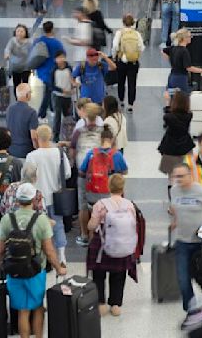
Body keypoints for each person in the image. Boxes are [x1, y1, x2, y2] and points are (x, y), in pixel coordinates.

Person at [0, 183, 66, 338]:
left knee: (22, 311)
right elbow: (49, 250)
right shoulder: (41, 220)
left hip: (14, 271)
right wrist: (58, 267)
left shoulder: (8, 219)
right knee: (38, 307)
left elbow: (0, 249)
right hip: (35, 271)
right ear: (34, 199)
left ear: (17, 199)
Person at [169, 163, 202, 311]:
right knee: (183, 279)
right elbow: (174, 207)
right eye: (176, 176)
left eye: (181, 176)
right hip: (182, 242)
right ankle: (192, 310)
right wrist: (175, 221)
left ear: (190, 175)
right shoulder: (174, 191)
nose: (178, 179)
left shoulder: (201, 191)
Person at [86, 174, 138, 317]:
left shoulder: (101, 204)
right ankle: (115, 305)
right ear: (123, 188)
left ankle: (101, 303)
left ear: (109, 187)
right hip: (122, 244)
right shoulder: (129, 205)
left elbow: (92, 225)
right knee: (119, 275)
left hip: (102, 246)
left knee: (98, 275)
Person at [26, 125, 72, 267]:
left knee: (37, 227)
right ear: (51, 136)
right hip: (56, 197)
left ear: (36, 138)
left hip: (38, 199)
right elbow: (67, 174)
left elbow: (27, 177)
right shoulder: (59, 153)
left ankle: (42, 257)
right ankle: (62, 257)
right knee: (58, 225)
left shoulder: (32, 156)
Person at [70, 103, 104, 246]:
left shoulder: (78, 130)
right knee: (101, 202)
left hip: (83, 172)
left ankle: (84, 235)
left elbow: (72, 149)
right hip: (101, 172)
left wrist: (73, 163)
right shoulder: (104, 131)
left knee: (83, 204)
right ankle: (101, 234)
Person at [111, 14, 145, 112]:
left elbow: (115, 47)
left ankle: (121, 100)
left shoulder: (119, 33)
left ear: (123, 22)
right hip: (133, 61)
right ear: (133, 23)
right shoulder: (136, 34)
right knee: (132, 83)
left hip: (121, 61)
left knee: (121, 82)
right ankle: (130, 104)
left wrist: (114, 57)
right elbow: (141, 47)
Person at [162, 29, 202, 97]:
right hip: (181, 78)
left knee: (173, 98)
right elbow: (188, 67)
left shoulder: (173, 48)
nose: (191, 38)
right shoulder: (184, 51)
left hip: (172, 77)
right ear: (184, 38)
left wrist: (171, 61)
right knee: (182, 99)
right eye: (189, 36)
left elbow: (163, 51)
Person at [158, 91, 195, 178]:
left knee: (172, 176)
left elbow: (167, 116)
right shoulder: (189, 115)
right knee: (186, 173)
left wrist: (167, 103)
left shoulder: (169, 117)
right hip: (185, 146)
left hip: (170, 148)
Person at [33, 21, 65, 121]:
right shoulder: (57, 43)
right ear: (52, 29)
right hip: (51, 72)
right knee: (48, 92)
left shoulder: (39, 41)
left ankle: (51, 109)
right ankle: (41, 114)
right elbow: (63, 55)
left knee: (50, 89)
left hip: (41, 70)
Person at [7, 83, 39, 159]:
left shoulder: (9, 109)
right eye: (30, 92)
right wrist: (38, 150)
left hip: (11, 150)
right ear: (27, 95)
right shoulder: (31, 112)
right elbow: (34, 137)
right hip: (26, 152)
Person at [51, 50, 76, 142]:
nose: (60, 59)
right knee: (57, 116)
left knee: (68, 116)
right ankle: (56, 136)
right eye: (58, 58)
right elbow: (52, 85)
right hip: (57, 96)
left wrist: (73, 88)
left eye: (62, 57)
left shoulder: (69, 68)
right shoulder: (53, 70)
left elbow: (72, 80)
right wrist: (62, 90)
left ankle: (69, 134)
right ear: (55, 59)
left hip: (68, 97)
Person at [4, 24, 33, 99]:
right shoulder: (12, 41)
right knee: (16, 85)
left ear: (25, 33)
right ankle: (18, 100)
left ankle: (24, 100)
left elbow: (33, 52)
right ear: (15, 32)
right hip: (15, 67)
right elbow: (7, 49)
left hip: (26, 67)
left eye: (22, 31)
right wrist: (7, 54)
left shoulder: (29, 42)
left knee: (25, 85)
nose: (20, 33)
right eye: (18, 31)